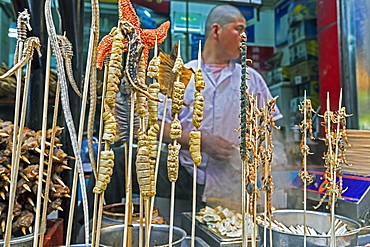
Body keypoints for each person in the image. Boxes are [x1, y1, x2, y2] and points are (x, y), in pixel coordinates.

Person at [158, 4, 283, 204]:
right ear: (216, 30)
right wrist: (198, 142)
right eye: (239, 29)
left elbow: (270, 129)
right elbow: (157, 126)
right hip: (186, 179)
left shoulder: (252, 79)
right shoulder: (181, 74)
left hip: (235, 184)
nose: (245, 38)